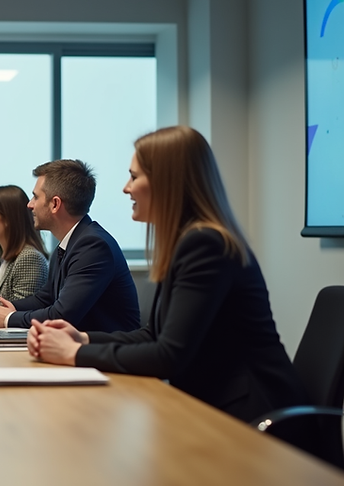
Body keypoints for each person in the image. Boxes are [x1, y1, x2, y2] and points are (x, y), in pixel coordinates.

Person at [28, 126, 309, 422]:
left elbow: (169, 356)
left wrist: (73, 354)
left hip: (254, 413)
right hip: (216, 401)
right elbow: (154, 335)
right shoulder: (187, 240)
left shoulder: (205, 243)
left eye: (135, 177)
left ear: (167, 181)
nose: (126, 188)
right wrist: (83, 339)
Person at [0, 160, 140, 332]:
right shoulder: (70, 243)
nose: (29, 205)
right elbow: (45, 298)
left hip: (106, 352)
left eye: (36, 197)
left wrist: (8, 318)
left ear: (55, 204)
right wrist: (9, 308)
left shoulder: (93, 246)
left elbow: (62, 314)